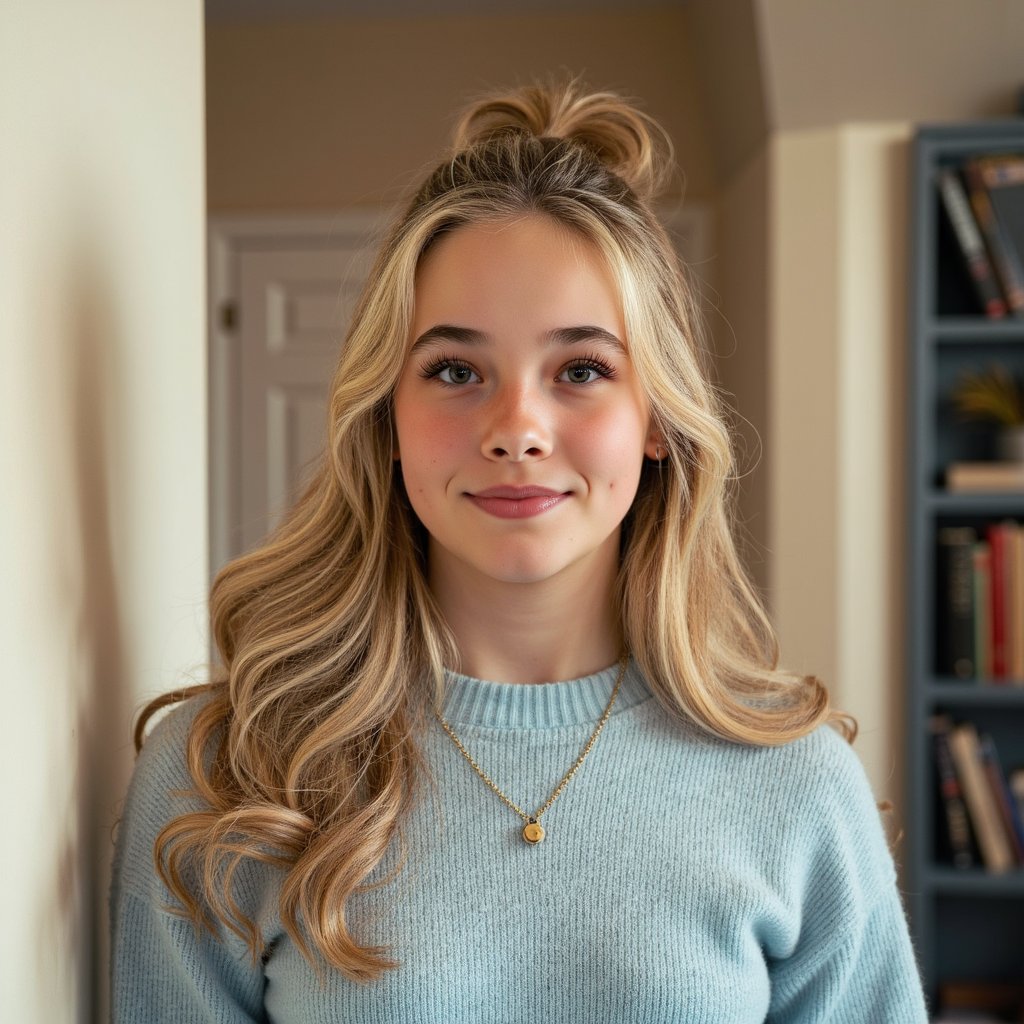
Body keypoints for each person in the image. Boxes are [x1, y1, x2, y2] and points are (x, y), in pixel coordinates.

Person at [110, 81, 928, 1022]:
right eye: (455, 371)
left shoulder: (796, 784)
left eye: (581, 370)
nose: (517, 429)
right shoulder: (224, 777)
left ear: (656, 418)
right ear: (387, 417)